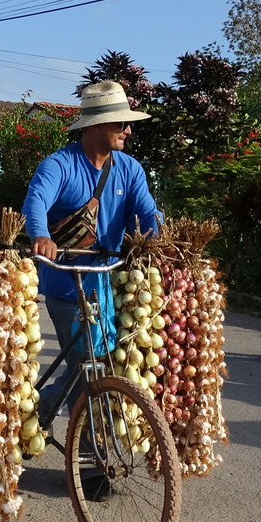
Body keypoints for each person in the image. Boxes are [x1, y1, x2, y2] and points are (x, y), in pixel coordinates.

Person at [22, 80, 162, 422]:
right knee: (88, 363)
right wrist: (41, 236)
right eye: (121, 123)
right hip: (66, 284)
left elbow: (148, 213)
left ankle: (40, 409)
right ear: (97, 124)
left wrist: (158, 241)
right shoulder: (60, 165)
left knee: (96, 363)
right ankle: (87, 459)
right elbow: (36, 201)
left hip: (107, 282)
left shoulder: (129, 170)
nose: (128, 130)